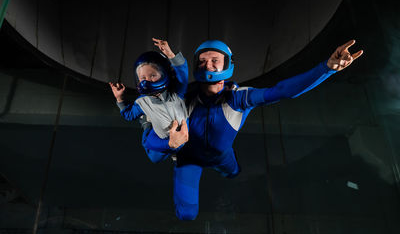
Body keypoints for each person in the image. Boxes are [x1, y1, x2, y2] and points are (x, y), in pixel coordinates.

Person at [145, 39, 363, 220]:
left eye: (214, 60)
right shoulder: (182, 98)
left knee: (233, 172)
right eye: (202, 61)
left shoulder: (240, 97)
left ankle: (231, 173)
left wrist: (325, 68)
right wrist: (167, 143)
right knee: (187, 215)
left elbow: (283, 90)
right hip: (188, 158)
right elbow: (155, 139)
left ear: (227, 64)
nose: (208, 65)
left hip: (223, 156)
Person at [109, 38, 189, 163]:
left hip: (184, 130)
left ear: (163, 74)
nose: (147, 81)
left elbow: (182, 71)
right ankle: (146, 124)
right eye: (143, 78)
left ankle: (176, 150)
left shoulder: (176, 91)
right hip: (162, 137)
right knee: (154, 157)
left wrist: (170, 55)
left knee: (194, 146)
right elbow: (129, 115)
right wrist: (119, 98)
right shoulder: (143, 102)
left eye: (152, 75)